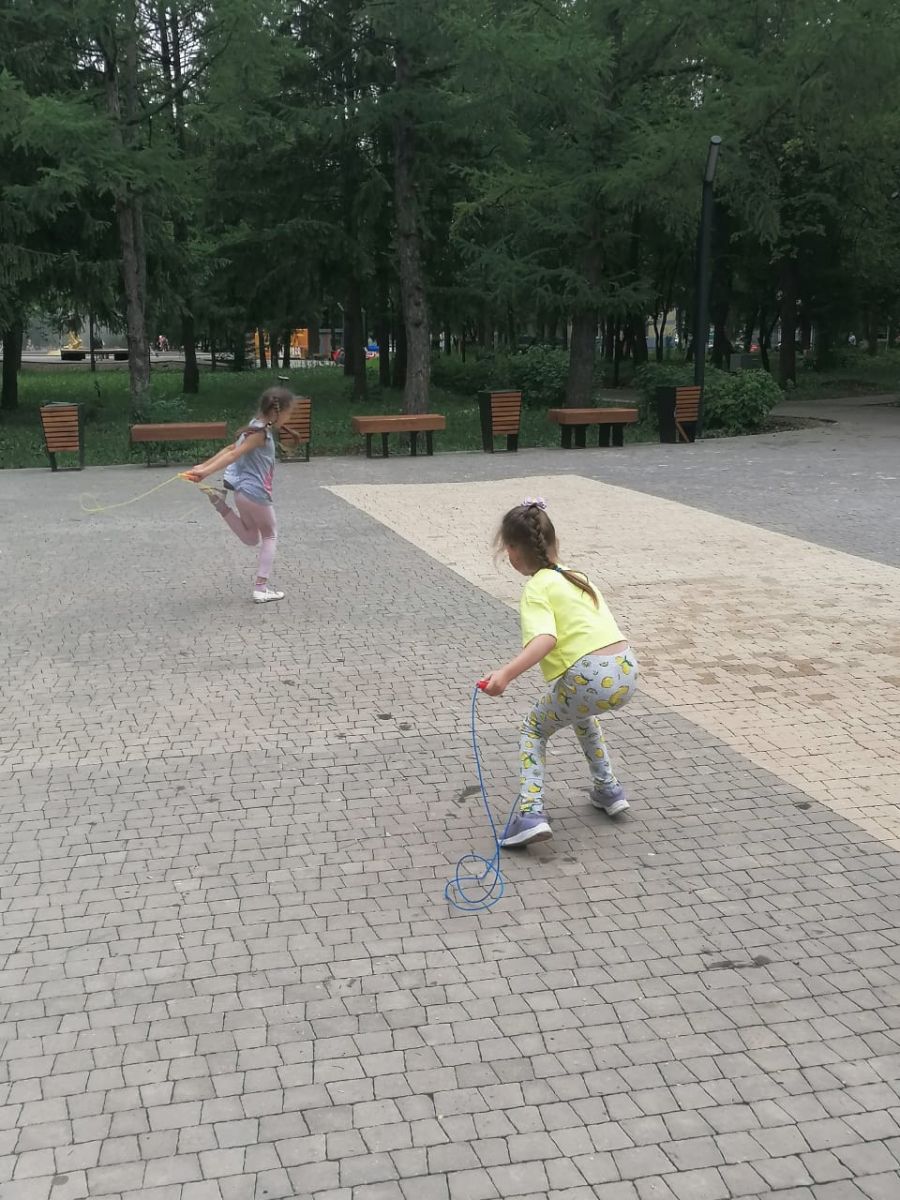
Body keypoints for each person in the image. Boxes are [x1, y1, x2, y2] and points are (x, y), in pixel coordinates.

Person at [481, 498, 639, 848]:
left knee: (533, 729)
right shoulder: (577, 577)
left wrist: (505, 674)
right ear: (555, 542)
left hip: (589, 676)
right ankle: (608, 790)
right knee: (580, 713)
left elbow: (545, 639)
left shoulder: (537, 587)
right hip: (626, 670)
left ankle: (531, 814)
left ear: (512, 552)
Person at [183, 386, 298, 603]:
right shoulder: (259, 434)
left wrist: (203, 467)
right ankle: (261, 588)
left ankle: (220, 505)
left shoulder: (252, 427)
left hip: (242, 495)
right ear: (277, 412)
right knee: (270, 535)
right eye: (288, 413)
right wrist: (205, 471)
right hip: (256, 494)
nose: (289, 418)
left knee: (251, 538)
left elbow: (229, 449)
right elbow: (233, 454)